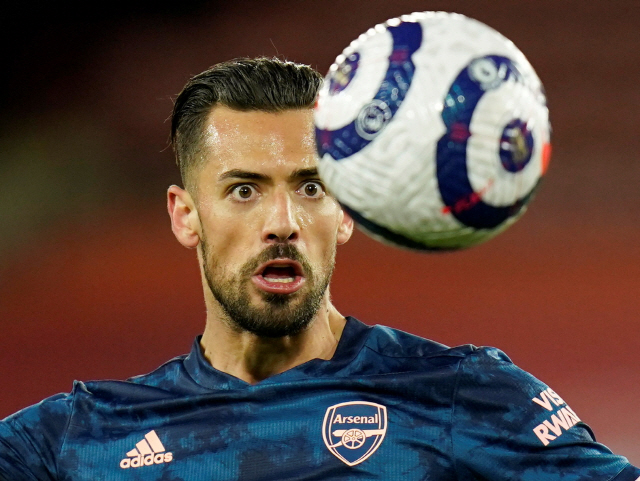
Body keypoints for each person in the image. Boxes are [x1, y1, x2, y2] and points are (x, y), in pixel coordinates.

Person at [0, 57, 637, 481]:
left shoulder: (457, 394)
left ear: (346, 210)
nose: (282, 221)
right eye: (244, 190)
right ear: (185, 215)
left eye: (310, 187)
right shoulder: (81, 436)